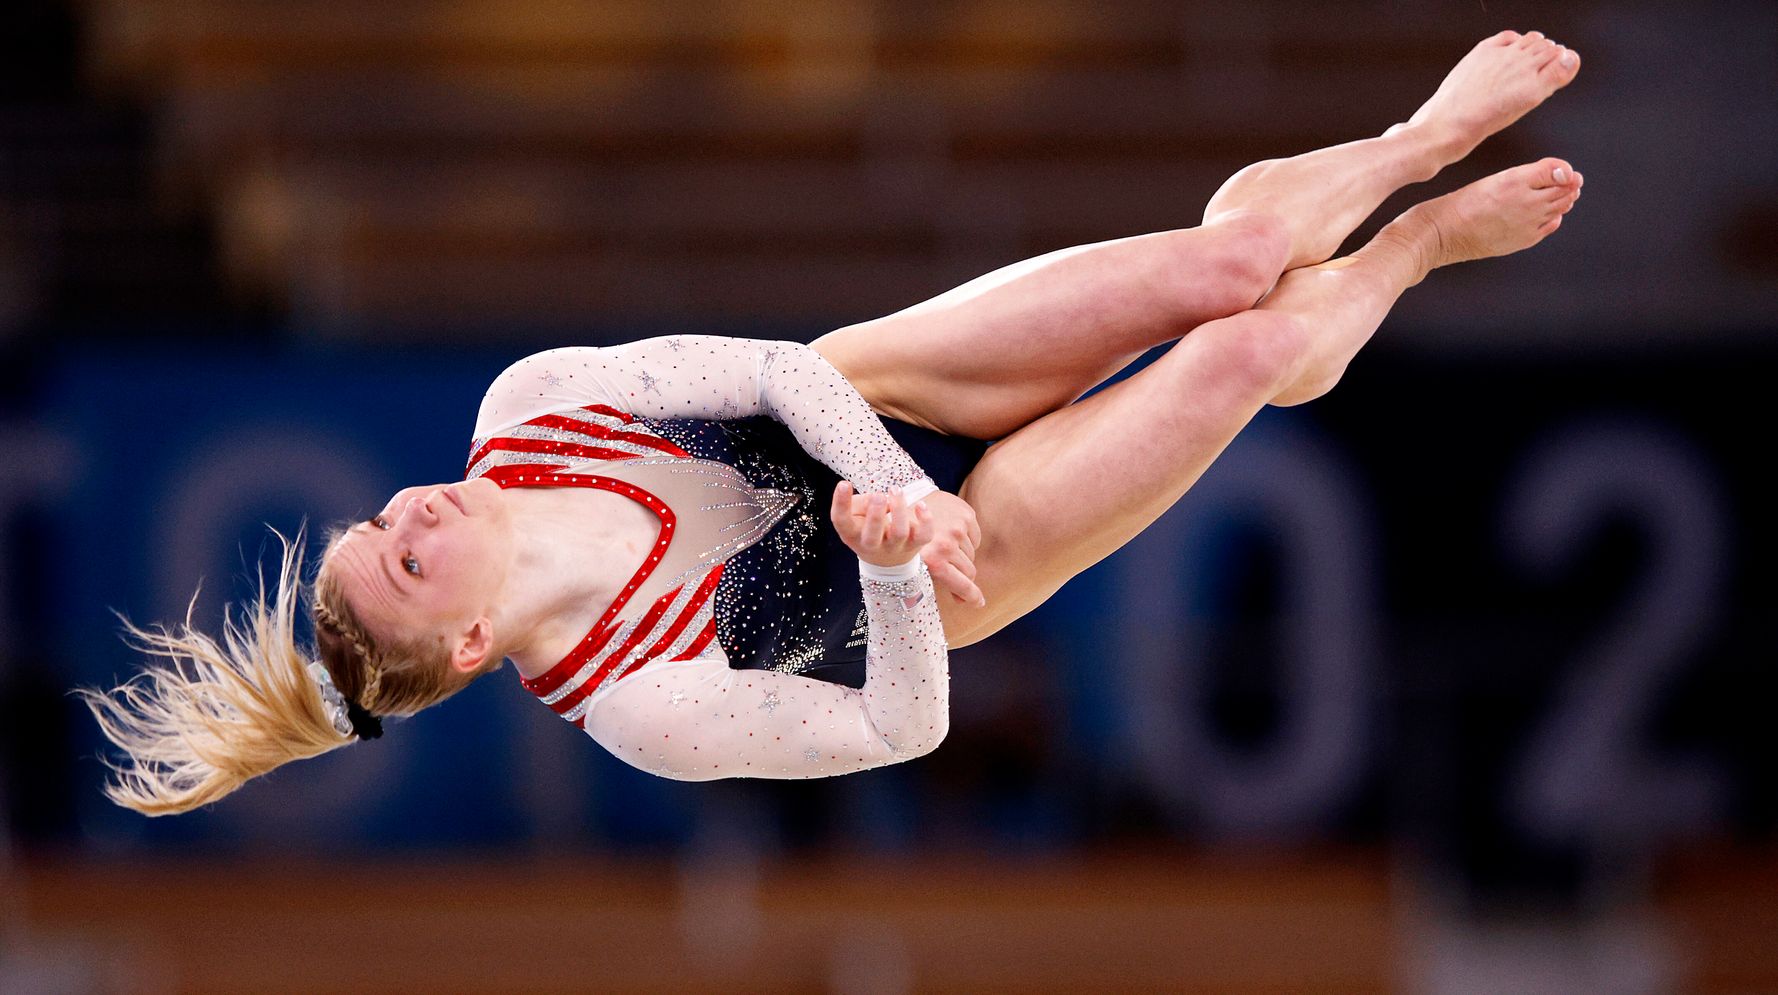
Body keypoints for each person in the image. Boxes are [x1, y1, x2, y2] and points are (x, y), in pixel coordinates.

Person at [82, 31, 1583, 814]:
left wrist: (885, 484)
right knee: (1242, 354)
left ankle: (1413, 139)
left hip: (887, 385)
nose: (411, 514)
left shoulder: (526, 412)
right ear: (469, 650)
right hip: (964, 568)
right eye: (406, 564)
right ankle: (1409, 249)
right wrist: (886, 557)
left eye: (381, 521)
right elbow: (897, 722)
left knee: (1224, 264)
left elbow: (777, 376)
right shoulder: (642, 713)